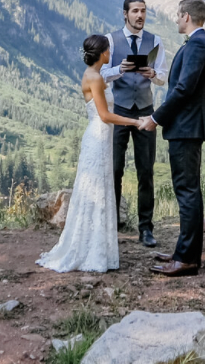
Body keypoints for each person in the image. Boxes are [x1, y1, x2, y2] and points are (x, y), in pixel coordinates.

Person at [37, 34, 152, 273]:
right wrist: (135, 122)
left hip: (100, 136)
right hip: (99, 137)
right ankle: (93, 250)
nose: (110, 52)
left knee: (98, 189)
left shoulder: (95, 76)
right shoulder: (95, 79)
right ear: (103, 53)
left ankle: (97, 247)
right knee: (97, 190)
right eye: (108, 50)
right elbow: (106, 115)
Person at [144, 0, 205, 277]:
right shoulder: (199, 43)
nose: (176, 19)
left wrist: (155, 117)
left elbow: (184, 89)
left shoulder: (198, 44)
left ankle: (186, 259)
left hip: (185, 129)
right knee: (188, 191)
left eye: (178, 15)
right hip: (186, 128)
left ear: (187, 16)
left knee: (187, 192)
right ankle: (184, 252)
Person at [100, 0, 166, 246]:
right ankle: (112, 226)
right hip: (119, 111)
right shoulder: (111, 40)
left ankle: (146, 229)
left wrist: (153, 74)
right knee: (115, 169)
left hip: (146, 110)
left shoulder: (155, 41)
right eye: (136, 11)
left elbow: (162, 76)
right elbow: (101, 74)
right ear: (125, 14)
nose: (140, 15)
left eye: (144, 11)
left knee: (146, 170)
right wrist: (120, 69)